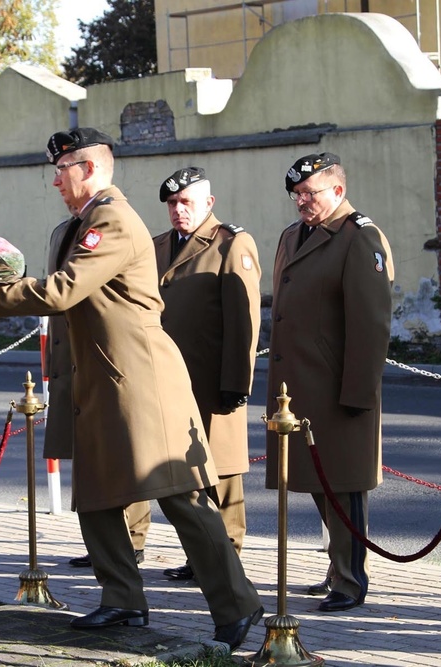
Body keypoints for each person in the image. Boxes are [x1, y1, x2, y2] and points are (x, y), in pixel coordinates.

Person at [0, 128, 263, 651]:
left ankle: (237, 606)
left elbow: (62, 290)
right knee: (97, 494)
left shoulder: (112, 218)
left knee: (180, 495)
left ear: (91, 169)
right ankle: (122, 599)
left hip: (141, 380)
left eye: (63, 169)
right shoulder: (84, 222)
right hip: (102, 378)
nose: (55, 180)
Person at [266, 152, 393, 613]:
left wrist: (359, 393)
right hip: (298, 387)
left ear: (337, 191)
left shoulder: (359, 238)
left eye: (311, 193)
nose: (302, 201)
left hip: (338, 387)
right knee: (317, 482)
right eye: (296, 194)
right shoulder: (292, 235)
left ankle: (350, 578)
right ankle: (336, 566)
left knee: (343, 484)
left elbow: (371, 322)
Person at [152, 167, 261, 582]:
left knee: (224, 472)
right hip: (169, 381)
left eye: (187, 203)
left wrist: (237, 380)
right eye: (172, 204)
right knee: (184, 473)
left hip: (214, 379)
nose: (178, 211)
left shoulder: (231, 243)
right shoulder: (158, 245)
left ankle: (227, 557)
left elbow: (243, 320)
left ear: (209, 204)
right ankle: (200, 553)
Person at [43, 230, 150, 571]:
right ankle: (104, 547)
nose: (59, 181)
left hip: (112, 362)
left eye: (64, 171)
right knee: (89, 458)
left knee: (127, 460)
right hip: (75, 357)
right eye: (56, 172)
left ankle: (132, 541)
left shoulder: (111, 225)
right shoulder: (64, 232)